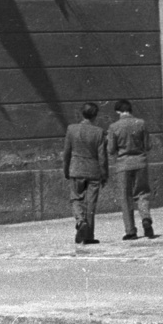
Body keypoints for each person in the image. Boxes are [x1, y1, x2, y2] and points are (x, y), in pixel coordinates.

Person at [61, 102, 108, 245]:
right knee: (91, 203)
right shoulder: (99, 132)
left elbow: (67, 153)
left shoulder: (71, 129)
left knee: (76, 199)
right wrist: (104, 174)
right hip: (93, 171)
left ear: (82, 113)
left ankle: (80, 221)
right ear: (95, 116)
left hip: (76, 169)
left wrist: (66, 170)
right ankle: (88, 236)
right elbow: (102, 157)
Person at [107, 99, 154, 240]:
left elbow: (110, 149)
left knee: (125, 197)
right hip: (141, 163)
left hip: (123, 165)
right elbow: (148, 146)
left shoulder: (114, 127)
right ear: (130, 110)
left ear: (118, 111)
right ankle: (146, 218)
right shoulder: (141, 123)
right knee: (142, 193)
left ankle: (131, 231)